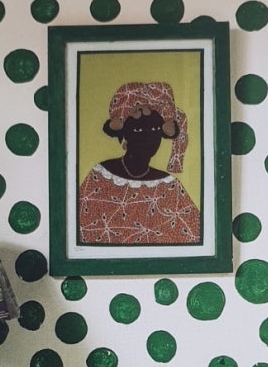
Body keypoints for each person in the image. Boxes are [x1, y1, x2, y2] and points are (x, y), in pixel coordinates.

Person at [78, 81, 201, 246]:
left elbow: (192, 234)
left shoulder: (169, 185)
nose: (148, 139)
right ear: (125, 135)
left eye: (155, 130)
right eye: (137, 130)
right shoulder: (101, 175)